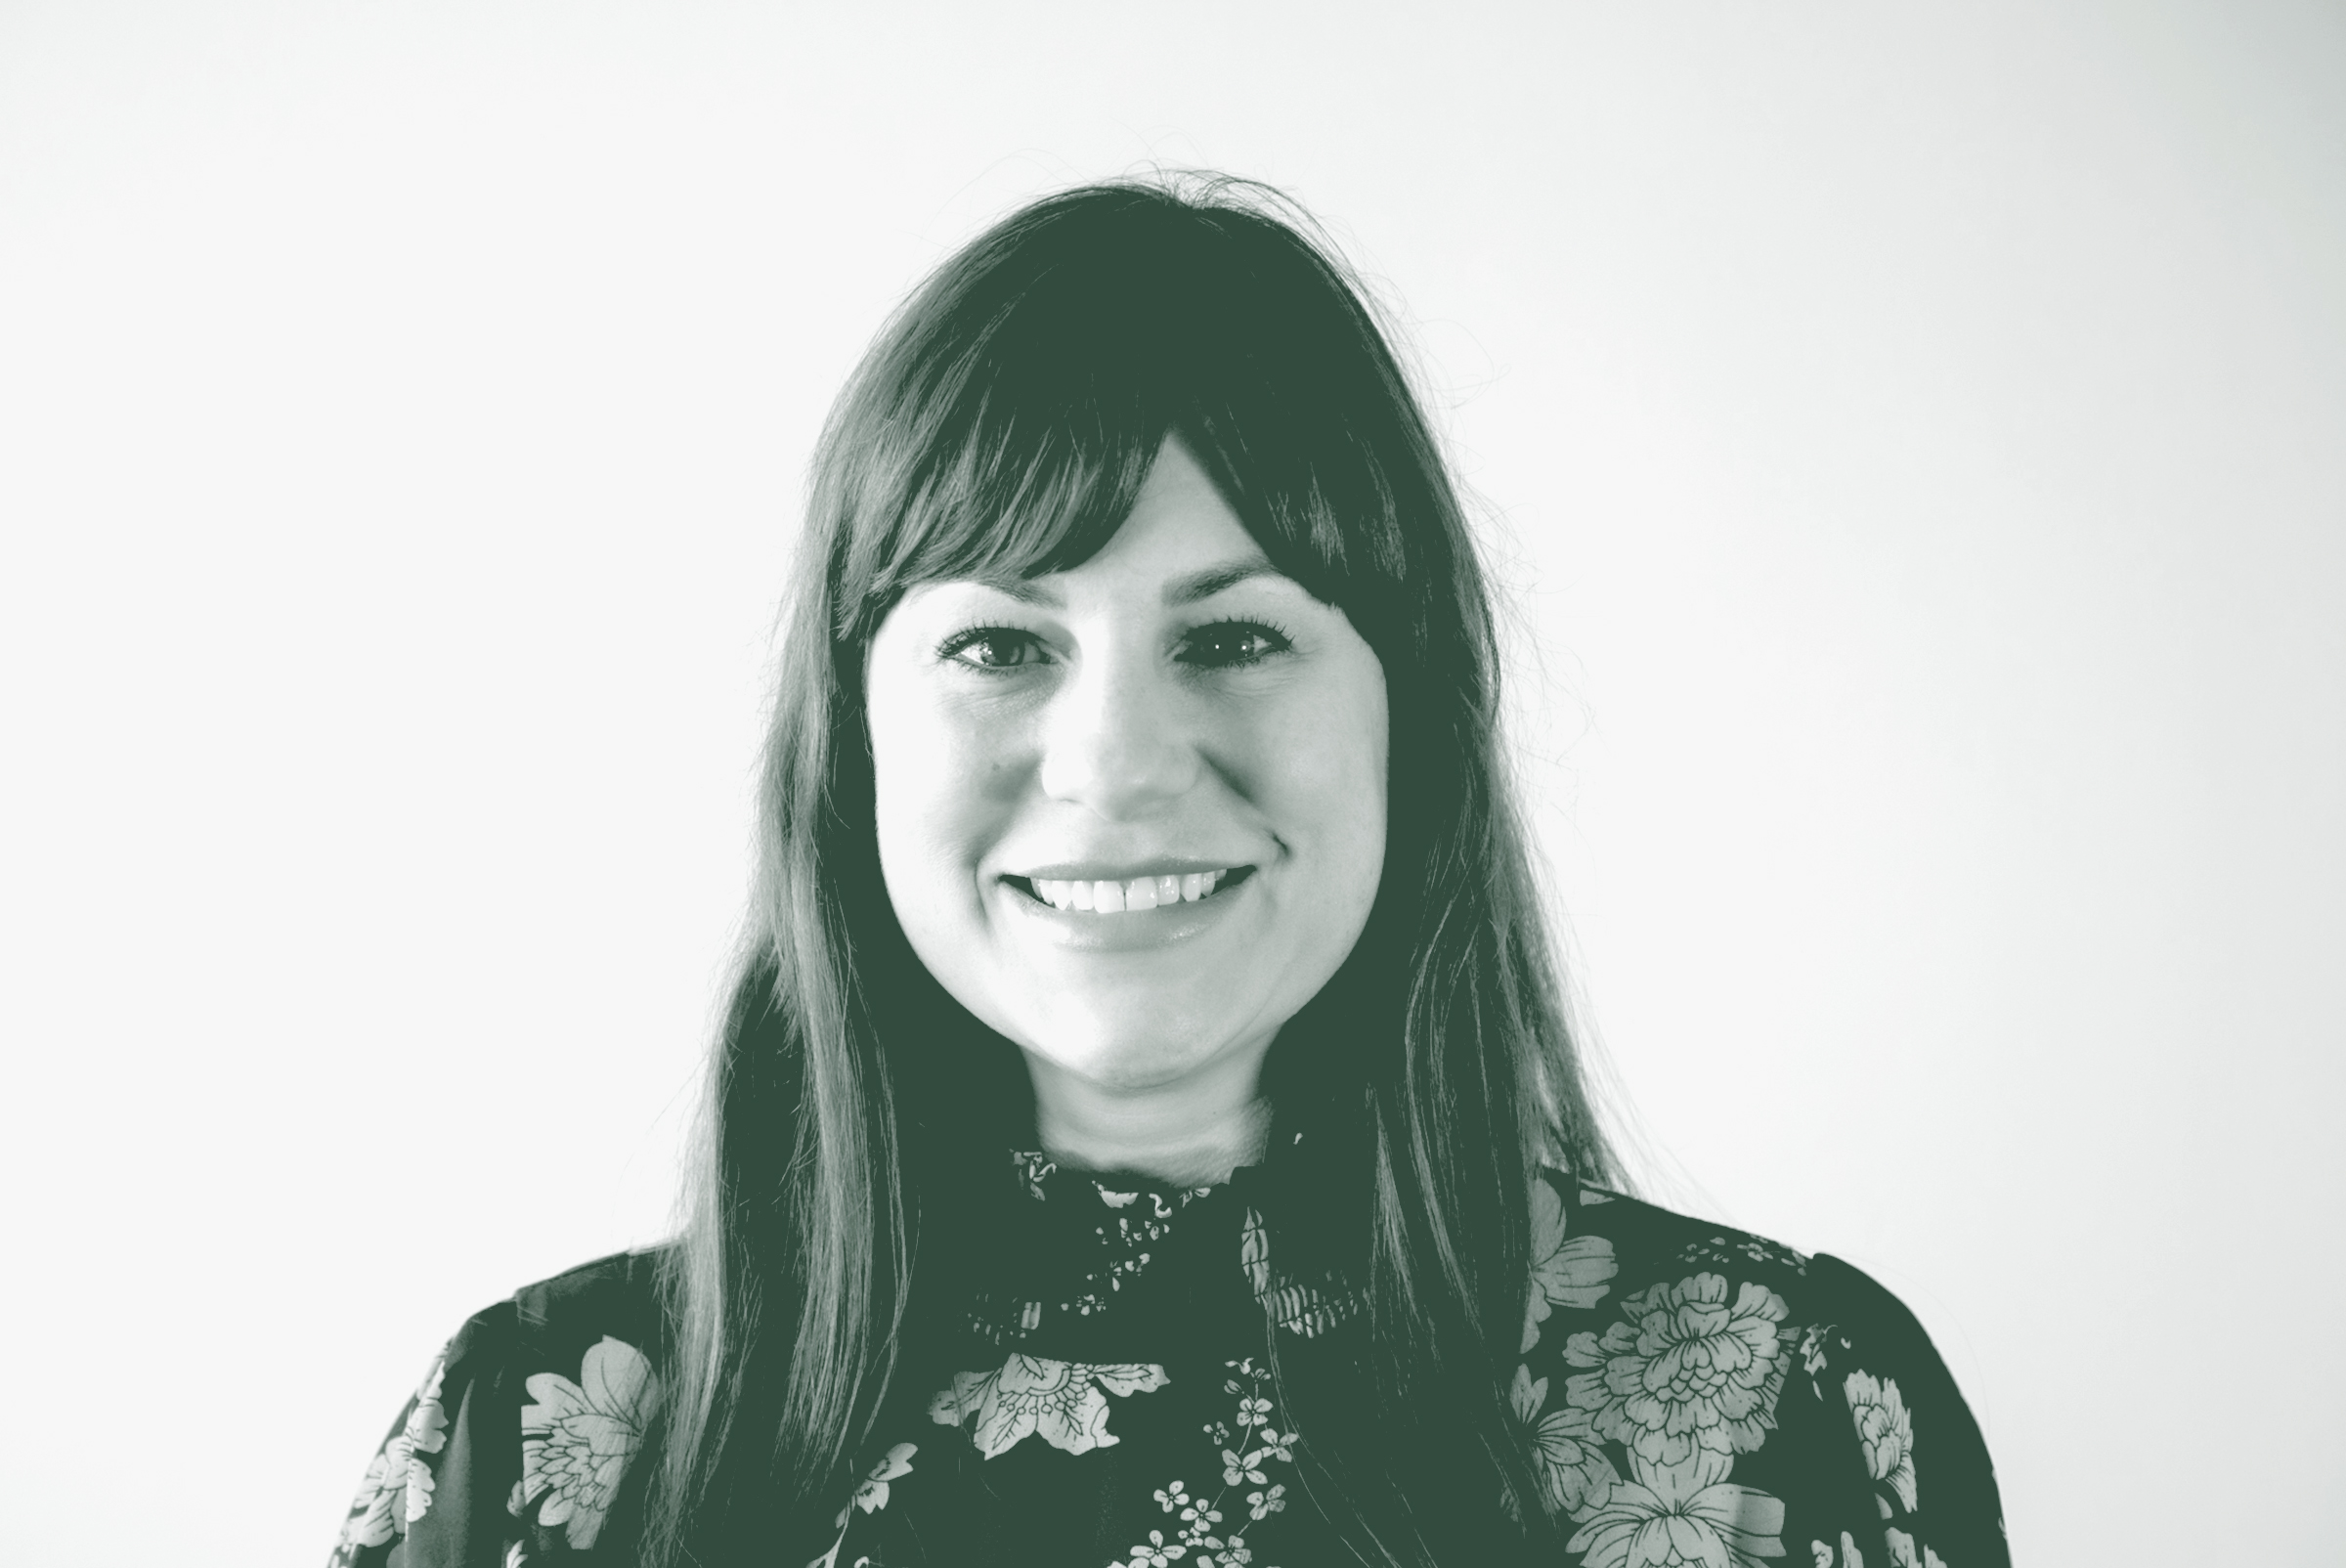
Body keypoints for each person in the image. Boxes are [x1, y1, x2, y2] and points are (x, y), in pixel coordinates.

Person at [329, 175, 2007, 1568]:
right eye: (997, 642)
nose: (1118, 760)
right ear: (851, 751)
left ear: (1409, 723)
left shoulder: (1775, 1410)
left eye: (1231, 636)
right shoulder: (548, 1444)